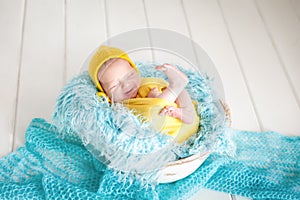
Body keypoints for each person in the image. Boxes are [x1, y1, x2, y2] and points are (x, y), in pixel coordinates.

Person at [89, 45, 200, 143]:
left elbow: (163, 87)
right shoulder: (117, 107)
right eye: (115, 86)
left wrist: (154, 97)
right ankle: (176, 87)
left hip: (186, 122)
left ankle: (185, 107)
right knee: (148, 114)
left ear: (135, 70)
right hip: (171, 137)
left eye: (130, 75)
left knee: (181, 92)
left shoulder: (147, 83)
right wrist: (152, 100)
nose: (127, 85)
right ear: (105, 93)